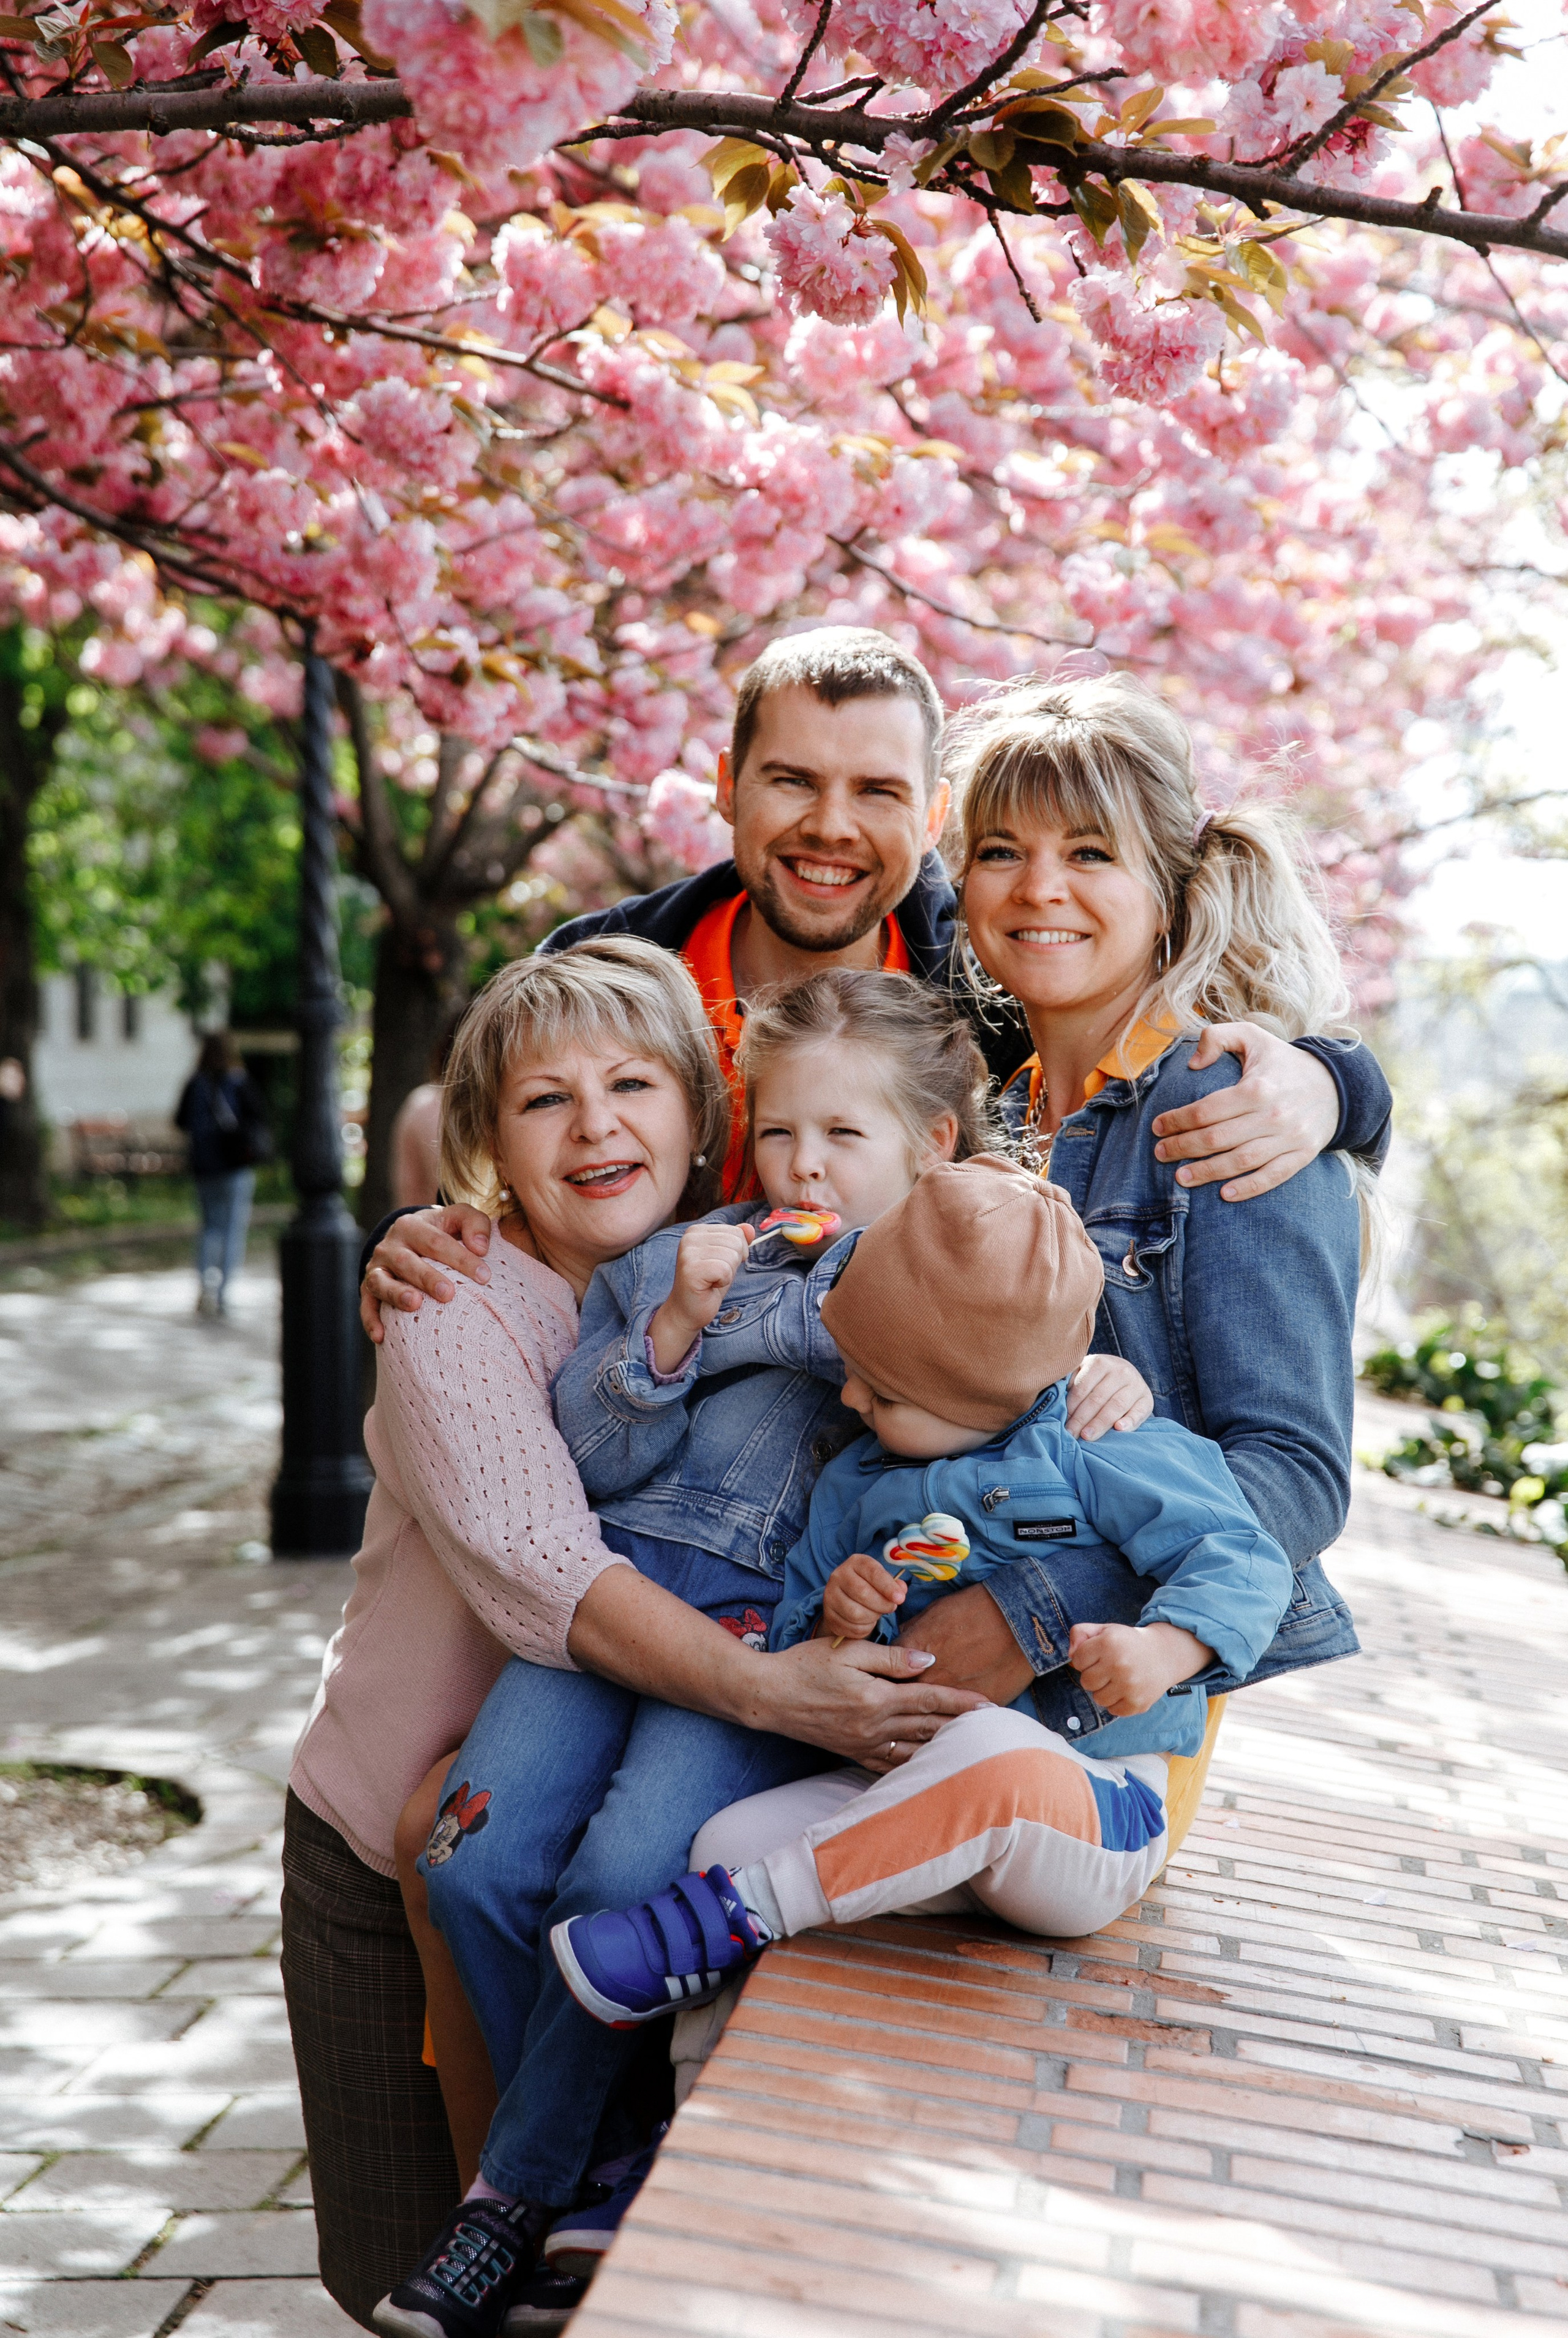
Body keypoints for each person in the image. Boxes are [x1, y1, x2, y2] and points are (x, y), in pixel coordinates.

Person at [393, 975, 1156, 2331]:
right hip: (615, 1602)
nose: (803, 1166)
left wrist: (1111, 1381)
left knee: (626, 1872)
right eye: (781, 1132)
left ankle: (510, 2194)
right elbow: (583, 1456)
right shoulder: (683, 1257)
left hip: (766, 1637)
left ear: (934, 1151)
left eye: (842, 1140)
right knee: (471, 1861)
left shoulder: (966, 1285)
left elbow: (1034, 1435)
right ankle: (598, 2159)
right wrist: (675, 1327)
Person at [282, 937, 985, 2333]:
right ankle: (547, 2183)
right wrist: (671, 1322)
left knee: (601, 1908)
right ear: (486, 1140)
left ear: (693, 1110)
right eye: (543, 1102)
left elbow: (991, 1374)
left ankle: (556, 2181)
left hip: (638, 1711)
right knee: (385, 2265)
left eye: (631, 1086)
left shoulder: (854, 1250)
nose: (595, 1125)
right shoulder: (458, 1298)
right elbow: (560, 1551)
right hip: (386, 1844)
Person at [358, 627, 1393, 1333]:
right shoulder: (607, 976)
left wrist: (1336, 1083)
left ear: (935, 815)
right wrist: (433, 1235)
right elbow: (504, 1177)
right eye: (794, 781)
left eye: (878, 791)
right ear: (727, 788)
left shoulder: (990, 992)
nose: (832, 827)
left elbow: (1168, 1042)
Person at [550, 1154, 1297, 2026]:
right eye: (854, 1366)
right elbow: (799, 1641)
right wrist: (838, 1616)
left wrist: (1166, 1648)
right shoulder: (860, 1481)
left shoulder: (1103, 1447)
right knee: (722, 1843)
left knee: (988, 1753)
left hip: (1088, 1806)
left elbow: (1248, 1558)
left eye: (890, 1389)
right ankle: (684, 2114)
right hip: (902, 1799)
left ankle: (746, 1914)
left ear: (992, 1390)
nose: (853, 1395)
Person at [174, 1031, 270, 1318]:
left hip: (205, 1168)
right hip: (235, 1167)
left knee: (209, 1227)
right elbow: (260, 1118)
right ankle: (224, 1293)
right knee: (232, 1230)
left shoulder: (195, 1084)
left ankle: (205, 1285)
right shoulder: (239, 1082)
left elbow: (180, 1120)